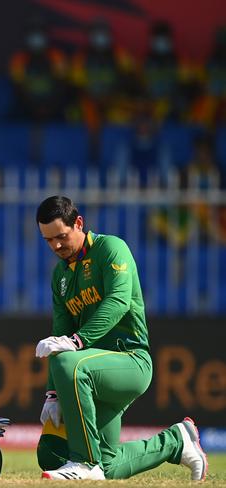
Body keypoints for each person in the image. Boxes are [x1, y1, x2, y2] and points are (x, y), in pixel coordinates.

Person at [34, 196, 207, 481]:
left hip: (130, 361)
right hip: (92, 371)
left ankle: (84, 462)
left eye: (61, 237)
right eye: (48, 240)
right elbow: (59, 333)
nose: (56, 246)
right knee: (67, 457)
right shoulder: (60, 277)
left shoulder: (110, 249)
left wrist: (77, 342)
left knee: (68, 364)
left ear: (79, 223)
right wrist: (52, 393)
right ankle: (178, 441)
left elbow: (118, 301)